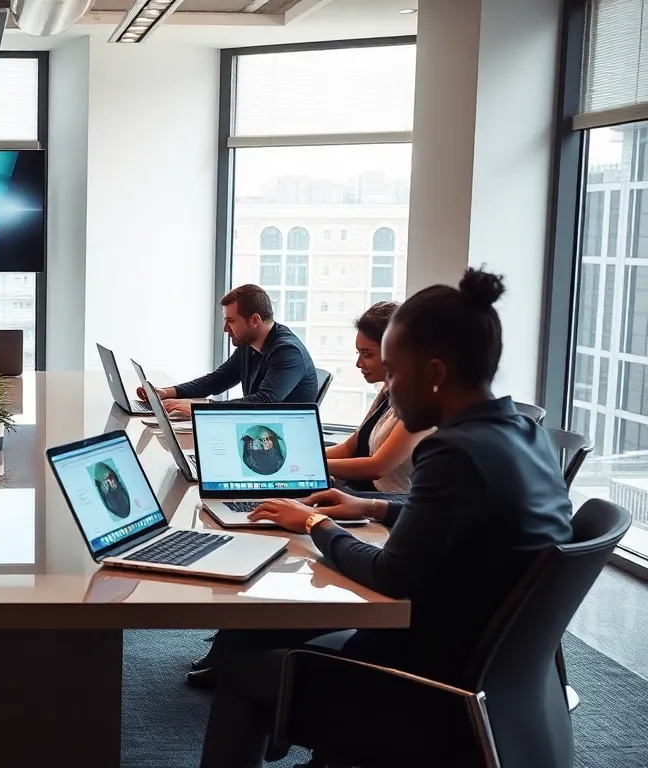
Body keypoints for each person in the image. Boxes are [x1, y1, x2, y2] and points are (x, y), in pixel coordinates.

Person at [196, 268, 573, 768]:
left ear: (435, 373)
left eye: (392, 372)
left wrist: (311, 524)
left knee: (243, 670)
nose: (388, 390)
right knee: (265, 633)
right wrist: (371, 506)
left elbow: (390, 574)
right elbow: (462, 519)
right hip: (491, 675)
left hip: (425, 682)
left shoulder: (453, 450)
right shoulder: (526, 436)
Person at [140, 285, 319, 420]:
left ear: (255, 319)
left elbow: (264, 401)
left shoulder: (287, 351)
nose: (226, 329)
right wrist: (165, 392)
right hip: (259, 427)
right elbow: (217, 380)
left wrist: (201, 408)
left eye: (231, 321)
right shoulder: (249, 345)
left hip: (282, 442)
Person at [324, 302, 429, 493]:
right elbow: (350, 448)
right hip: (355, 494)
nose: (358, 363)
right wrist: (302, 459)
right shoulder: (387, 390)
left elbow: (378, 467)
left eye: (367, 354)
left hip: (382, 506)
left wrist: (312, 468)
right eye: (359, 353)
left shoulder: (420, 402)